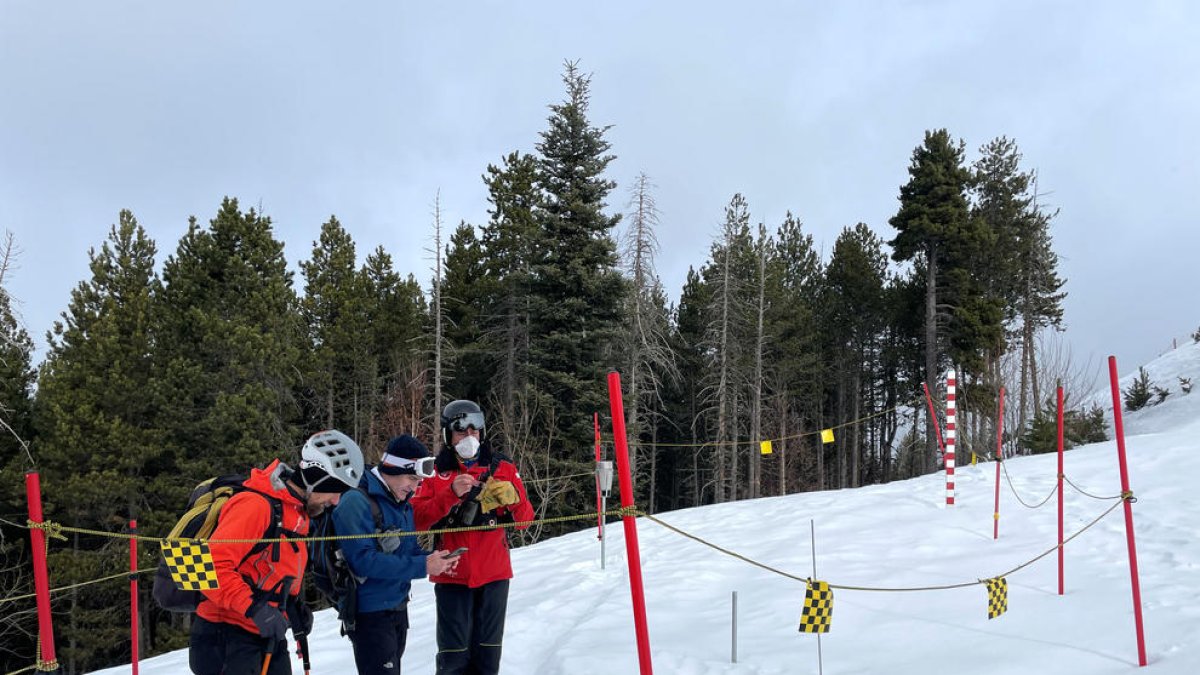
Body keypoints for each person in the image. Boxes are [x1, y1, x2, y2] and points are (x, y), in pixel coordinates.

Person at [190, 430, 365, 675]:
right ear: (316, 479)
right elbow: (207, 567)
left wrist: (291, 606)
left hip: (264, 633)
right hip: (225, 637)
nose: (336, 501)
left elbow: (268, 568)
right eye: (335, 490)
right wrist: (255, 609)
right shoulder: (255, 506)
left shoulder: (296, 511)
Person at [411, 399, 535, 675]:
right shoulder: (435, 473)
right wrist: (449, 495)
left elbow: (526, 520)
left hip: (494, 575)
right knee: (453, 659)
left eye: (475, 430)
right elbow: (417, 520)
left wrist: (513, 500)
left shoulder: (502, 467)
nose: (469, 437)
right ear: (447, 435)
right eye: (460, 430)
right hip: (452, 576)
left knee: (487, 659)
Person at [331, 434, 462, 674]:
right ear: (393, 469)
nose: (415, 487)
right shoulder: (356, 501)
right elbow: (362, 562)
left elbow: (409, 549)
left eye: (418, 481)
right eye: (412, 478)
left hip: (397, 607)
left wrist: (435, 559)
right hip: (369, 614)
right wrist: (423, 566)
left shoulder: (400, 501)